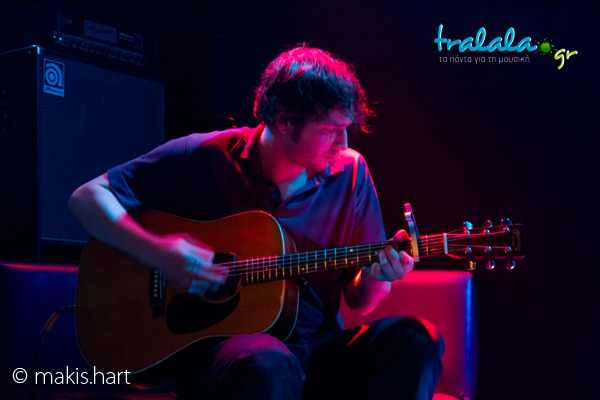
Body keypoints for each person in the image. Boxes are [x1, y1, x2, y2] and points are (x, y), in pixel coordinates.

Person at [69, 44, 444, 399]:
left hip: (317, 351)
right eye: (329, 130)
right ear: (284, 121)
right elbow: (87, 198)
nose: (343, 143)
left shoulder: (351, 172)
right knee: (266, 363)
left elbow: (359, 302)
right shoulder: (206, 155)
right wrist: (160, 254)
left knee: (416, 339)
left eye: (346, 129)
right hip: (231, 359)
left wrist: (381, 275)